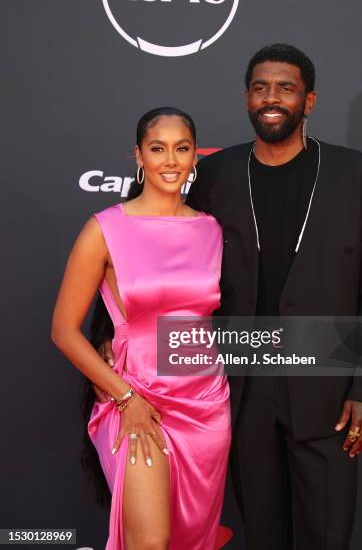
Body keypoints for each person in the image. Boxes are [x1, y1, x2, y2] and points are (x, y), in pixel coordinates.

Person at [94, 44, 362, 550]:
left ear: (310, 100)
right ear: (246, 98)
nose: (271, 97)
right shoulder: (217, 174)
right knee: (263, 533)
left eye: (286, 87)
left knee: (329, 535)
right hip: (241, 384)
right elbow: (155, 253)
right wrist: (110, 334)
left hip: (326, 386)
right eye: (260, 88)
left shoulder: (357, 175)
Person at [51, 107, 231, 550]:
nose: (170, 160)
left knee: (192, 541)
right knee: (149, 543)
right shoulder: (105, 229)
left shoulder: (211, 230)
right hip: (136, 402)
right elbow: (63, 329)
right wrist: (124, 395)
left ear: (194, 157)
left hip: (206, 406)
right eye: (157, 148)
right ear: (138, 156)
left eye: (182, 148)